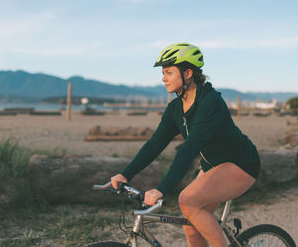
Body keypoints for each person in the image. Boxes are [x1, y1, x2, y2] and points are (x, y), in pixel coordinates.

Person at [110, 43, 261, 247]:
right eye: (163, 73)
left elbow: (189, 148)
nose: (163, 78)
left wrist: (162, 189)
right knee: (191, 223)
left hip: (240, 164)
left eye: (169, 72)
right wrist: (126, 174)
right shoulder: (175, 108)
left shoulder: (210, 102)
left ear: (187, 73)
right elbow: (155, 144)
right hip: (213, 167)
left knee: (187, 200)